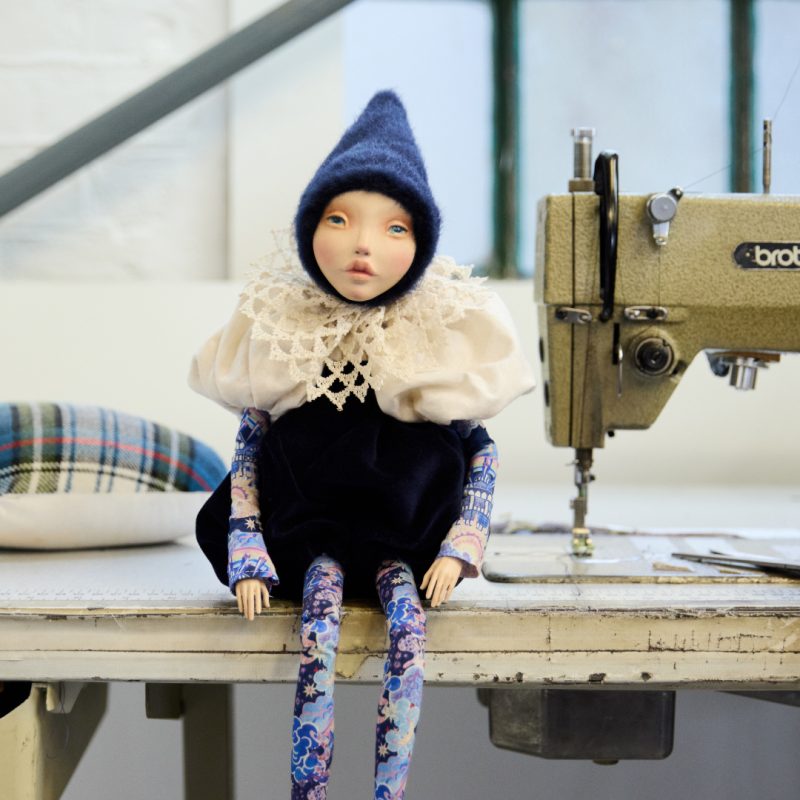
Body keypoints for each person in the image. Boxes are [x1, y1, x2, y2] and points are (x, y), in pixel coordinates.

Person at [189, 90, 534, 800]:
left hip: (406, 537)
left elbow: (481, 450)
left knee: (407, 643)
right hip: (306, 532)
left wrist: (462, 543)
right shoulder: (285, 333)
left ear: (422, 243)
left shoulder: (437, 342)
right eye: (339, 220)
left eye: (395, 227)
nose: (363, 245)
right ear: (309, 228)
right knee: (315, 644)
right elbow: (250, 443)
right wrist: (246, 548)